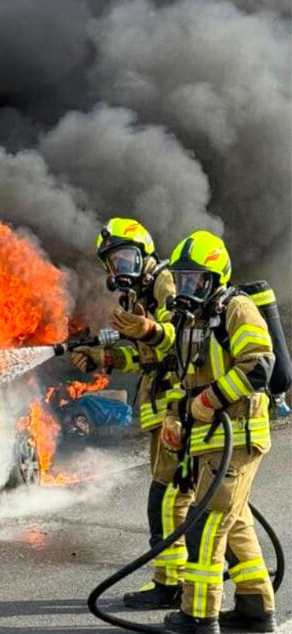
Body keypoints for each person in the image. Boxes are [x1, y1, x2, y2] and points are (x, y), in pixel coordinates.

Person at [155, 231, 276, 634]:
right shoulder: (190, 323)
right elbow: (180, 378)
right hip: (211, 441)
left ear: (216, 278)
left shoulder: (236, 309)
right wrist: (173, 416)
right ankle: (255, 607)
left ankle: (199, 615)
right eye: (183, 280)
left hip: (239, 436)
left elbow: (259, 366)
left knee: (206, 522)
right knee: (234, 519)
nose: (188, 289)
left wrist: (208, 401)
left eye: (197, 281)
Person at [71, 218, 190, 609]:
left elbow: (177, 341)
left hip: (181, 407)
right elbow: (147, 357)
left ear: (144, 254)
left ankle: (171, 584)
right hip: (165, 410)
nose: (118, 268)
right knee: (176, 498)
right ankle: (179, 581)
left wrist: (148, 328)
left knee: (168, 498)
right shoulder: (138, 295)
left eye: (125, 258)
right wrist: (104, 356)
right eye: (112, 262)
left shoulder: (165, 283)